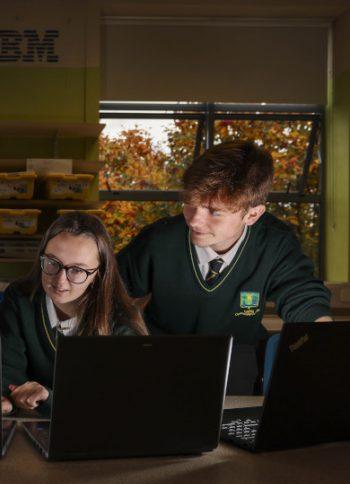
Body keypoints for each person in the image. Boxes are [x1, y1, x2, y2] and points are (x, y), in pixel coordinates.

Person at [116, 140, 331, 392]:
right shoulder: (157, 240)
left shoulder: (275, 243)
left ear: (252, 215)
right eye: (190, 203)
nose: (195, 220)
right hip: (162, 365)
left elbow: (303, 297)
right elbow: (109, 293)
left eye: (214, 212)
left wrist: (330, 350)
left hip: (239, 367)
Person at [0, 212, 147, 414]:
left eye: (77, 270)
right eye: (52, 263)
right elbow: (6, 372)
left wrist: (47, 398)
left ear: (99, 274)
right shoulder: (19, 298)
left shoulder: (122, 324)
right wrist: (6, 397)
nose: (60, 281)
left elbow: (115, 402)